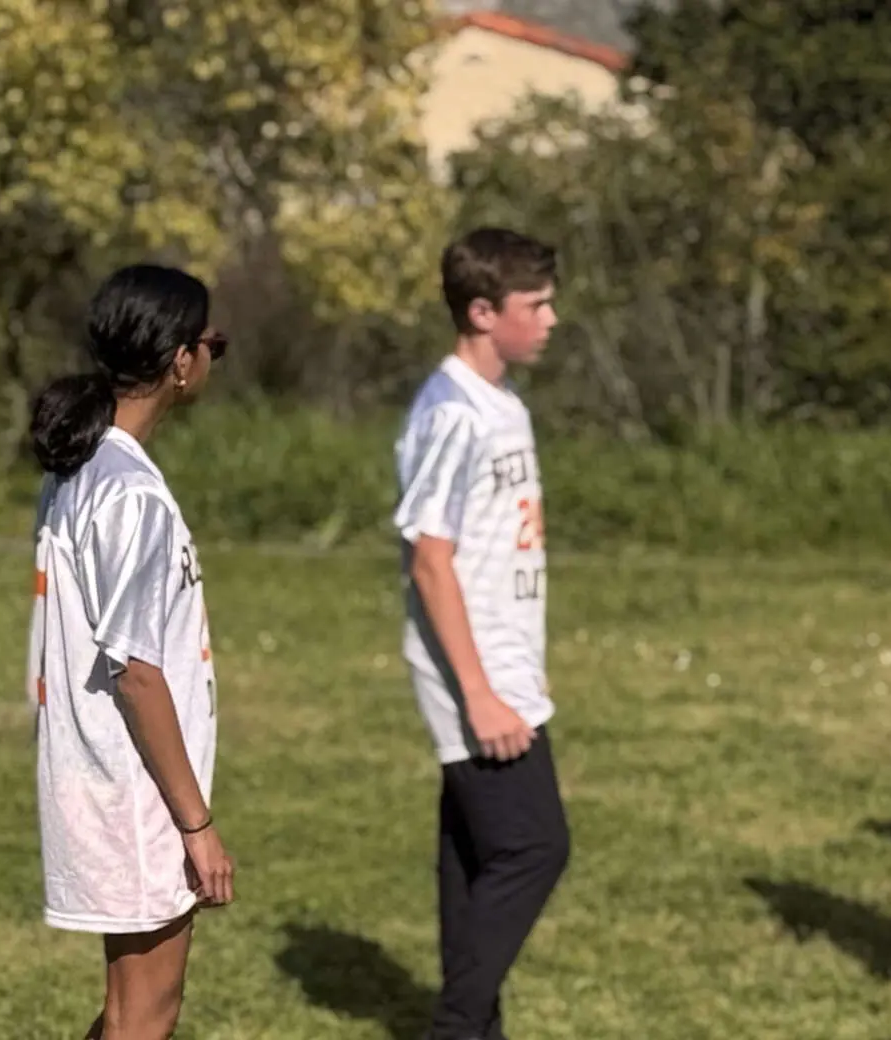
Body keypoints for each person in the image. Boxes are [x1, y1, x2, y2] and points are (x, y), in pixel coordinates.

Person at [25, 264, 236, 1040]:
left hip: (105, 772)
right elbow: (138, 672)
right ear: (181, 361)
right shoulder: (127, 489)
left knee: (128, 1010)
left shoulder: (86, 465)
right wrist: (196, 822)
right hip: (131, 780)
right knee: (147, 1014)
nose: (213, 356)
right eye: (212, 342)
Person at [393, 227, 572, 1040]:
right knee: (536, 848)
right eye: (533, 305)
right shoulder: (452, 414)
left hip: (507, 665)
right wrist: (479, 695)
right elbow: (431, 559)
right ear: (480, 311)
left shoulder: (499, 402)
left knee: (471, 858)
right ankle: (457, 1025)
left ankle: (476, 1027)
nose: (551, 319)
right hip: (481, 678)